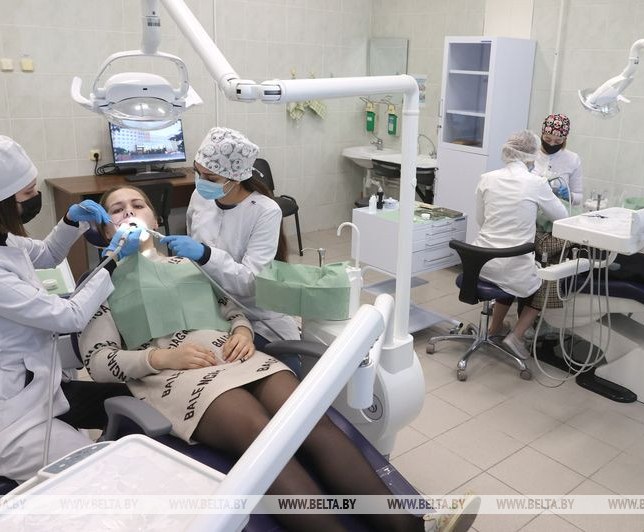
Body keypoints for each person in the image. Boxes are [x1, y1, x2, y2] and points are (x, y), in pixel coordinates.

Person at [81, 185, 478, 532]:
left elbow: (232, 308)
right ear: (103, 229)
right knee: (262, 434)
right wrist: (162, 357)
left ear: (155, 219)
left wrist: (242, 331)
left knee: (311, 422)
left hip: (237, 353)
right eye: (117, 209)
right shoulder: (100, 284)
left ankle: (411, 525)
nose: (129, 212)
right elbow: (98, 361)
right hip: (178, 373)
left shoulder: (188, 262)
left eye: (138, 205)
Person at [0, 135, 141, 481]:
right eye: (28, 193)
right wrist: (113, 259)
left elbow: (47, 255)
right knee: (94, 474)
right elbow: (70, 316)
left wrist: (71, 220)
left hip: (38, 387)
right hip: (5, 423)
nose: (35, 197)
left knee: (136, 402)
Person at [160, 127, 300, 344]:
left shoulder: (265, 211)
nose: (201, 182)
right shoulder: (199, 196)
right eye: (197, 172)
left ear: (236, 178)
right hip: (208, 304)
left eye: (211, 177)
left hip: (254, 312)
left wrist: (206, 255)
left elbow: (250, 282)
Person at [473, 131, 569, 359]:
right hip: (512, 269)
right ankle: (516, 336)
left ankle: (495, 328)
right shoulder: (536, 183)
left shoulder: (487, 178)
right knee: (548, 277)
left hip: (480, 263)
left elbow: (481, 220)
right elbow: (562, 217)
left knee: (511, 270)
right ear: (532, 155)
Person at [531, 113, 583, 205]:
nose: (551, 144)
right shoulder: (530, 154)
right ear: (542, 135)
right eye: (547, 139)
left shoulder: (572, 159)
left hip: (557, 211)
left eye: (558, 141)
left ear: (564, 140)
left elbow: (578, 197)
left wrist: (569, 196)